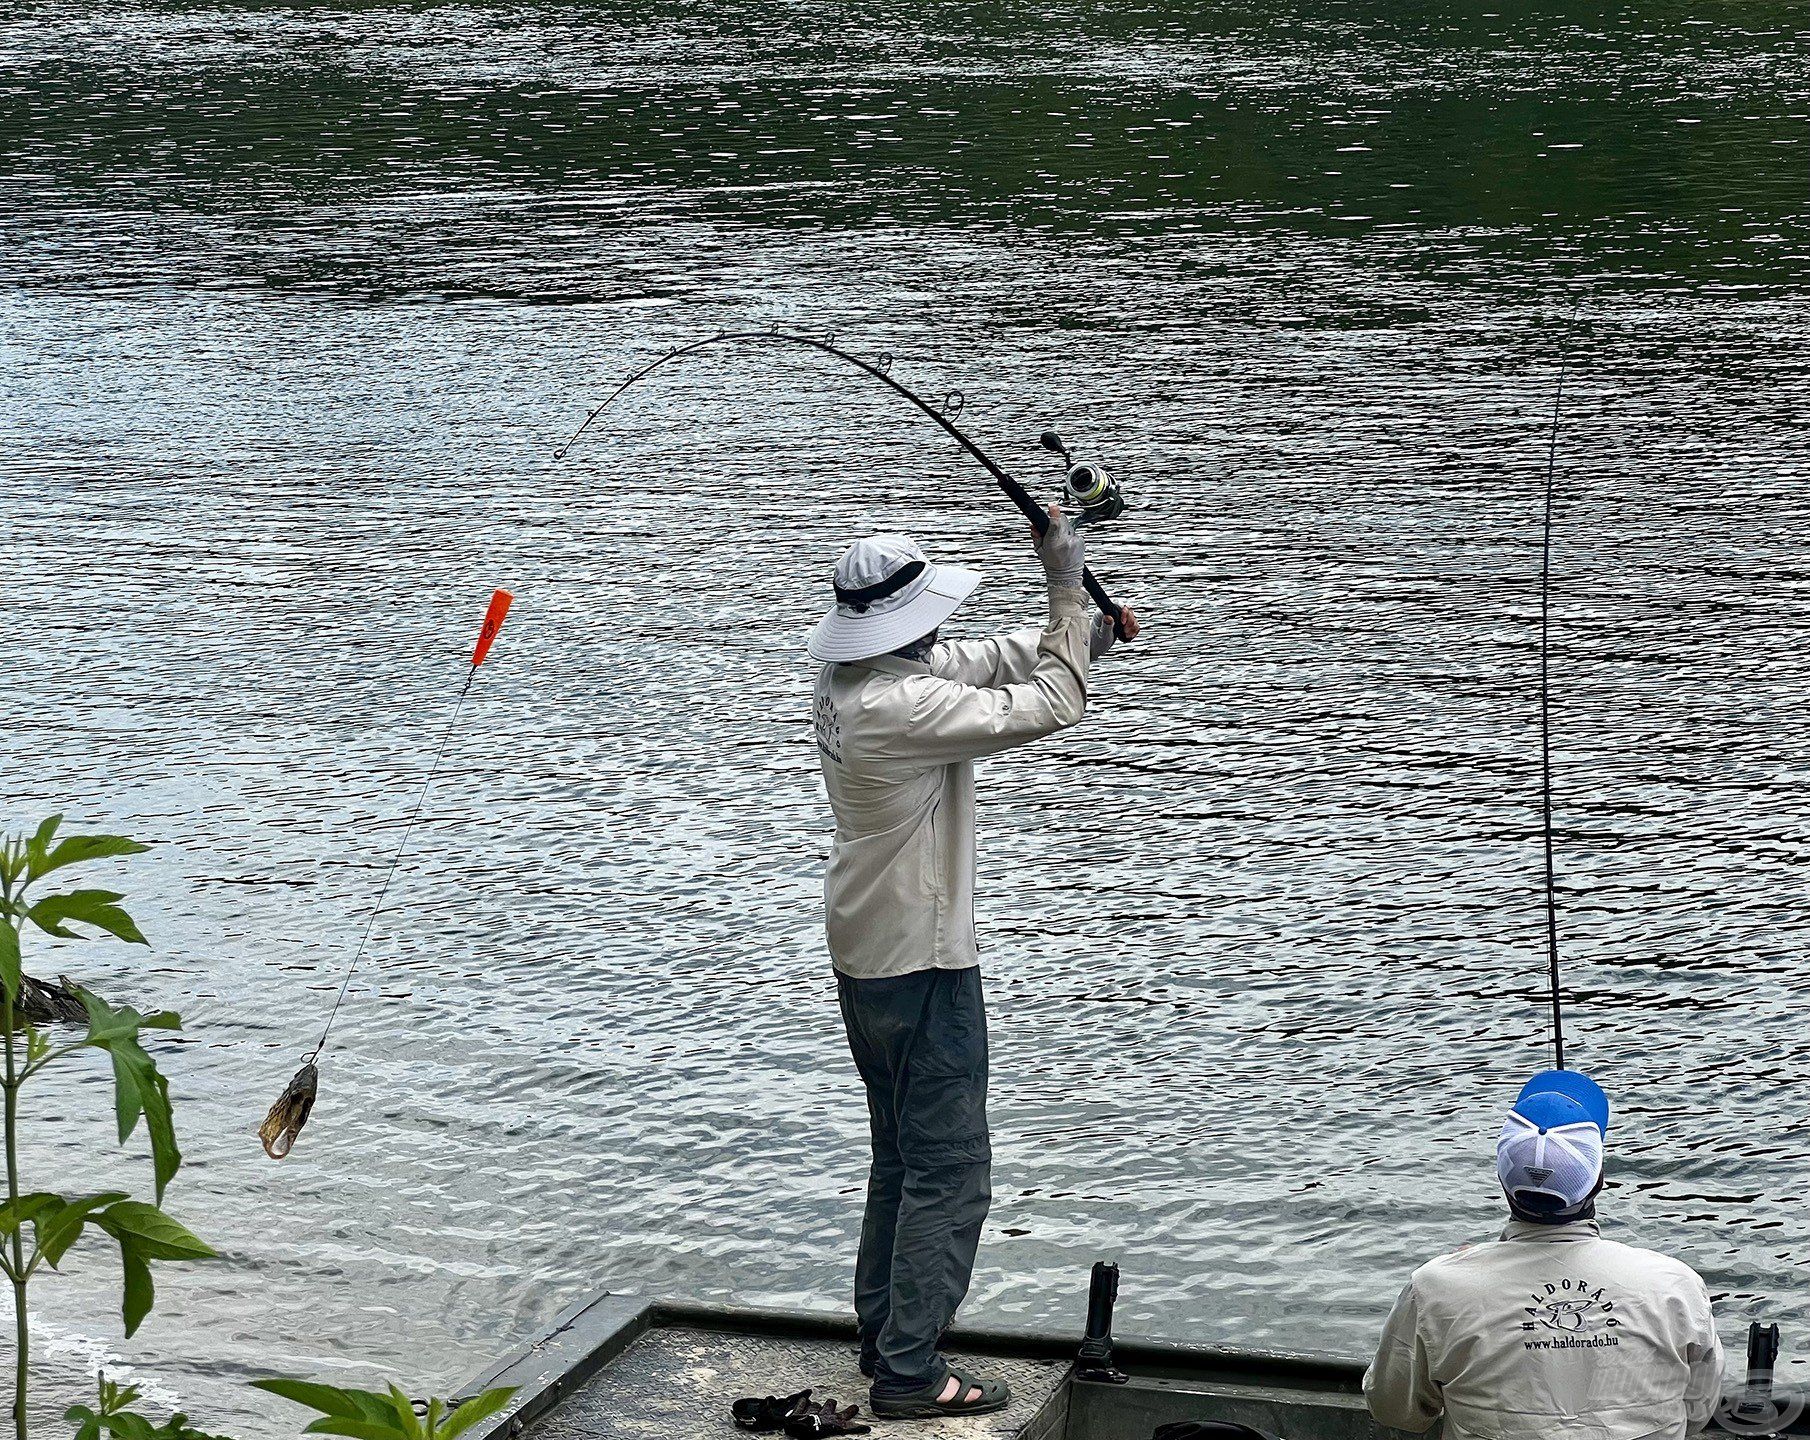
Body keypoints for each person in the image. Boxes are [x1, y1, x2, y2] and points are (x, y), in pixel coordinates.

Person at [808, 508, 1138, 1420]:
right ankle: (910, 1373)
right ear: (908, 624)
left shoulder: (852, 679)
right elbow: (1053, 707)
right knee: (952, 1170)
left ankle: (883, 1336)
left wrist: (1079, 634)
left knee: (899, 1160)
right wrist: (1067, 587)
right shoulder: (899, 706)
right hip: (921, 962)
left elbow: (992, 662)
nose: (943, 631)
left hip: (865, 952)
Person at [1364, 1069, 1725, 1440]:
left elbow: (1396, 1410)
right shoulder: (1676, 1286)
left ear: (1503, 1179)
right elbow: (1698, 1410)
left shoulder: (1434, 1288)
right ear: (1598, 1178)